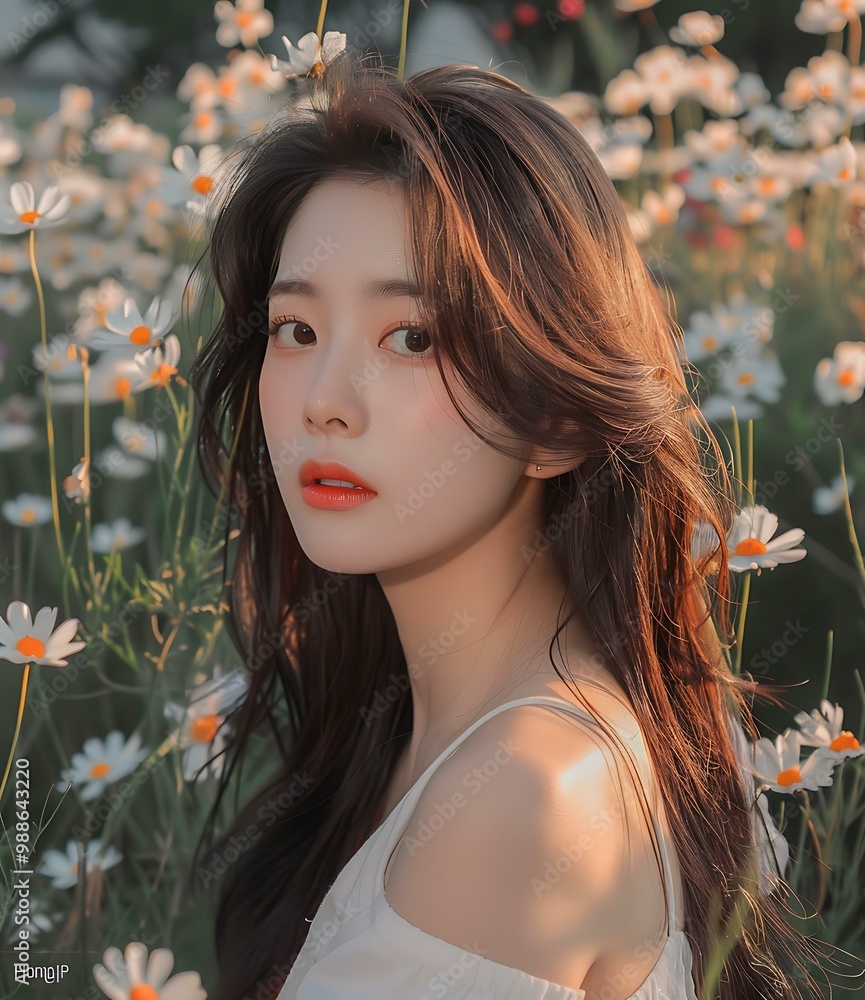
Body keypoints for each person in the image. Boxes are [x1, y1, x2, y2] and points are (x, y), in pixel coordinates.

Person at [187, 52, 820, 1000]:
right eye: (296, 330)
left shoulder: (527, 793)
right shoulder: (450, 730)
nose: (324, 402)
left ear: (558, 418)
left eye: (413, 338)